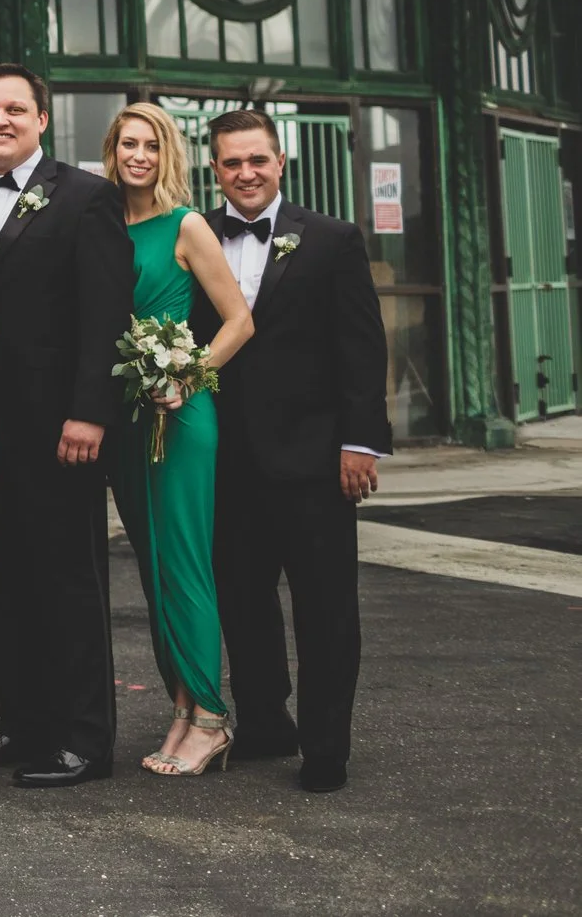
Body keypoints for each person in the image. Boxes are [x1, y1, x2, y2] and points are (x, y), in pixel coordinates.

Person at [196, 109, 389, 794]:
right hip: (225, 462)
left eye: (258, 160)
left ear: (281, 162)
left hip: (315, 462)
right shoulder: (195, 238)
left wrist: (360, 441)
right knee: (241, 600)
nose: (245, 173)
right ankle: (266, 720)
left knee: (326, 607)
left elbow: (362, 349)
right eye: (231, 162)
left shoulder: (333, 239)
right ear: (213, 168)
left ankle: (326, 744)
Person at [0, 63, 133, 787]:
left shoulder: (87, 196)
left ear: (41, 118)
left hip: (59, 426)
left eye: (13, 108)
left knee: (67, 579)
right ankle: (23, 720)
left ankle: (84, 737)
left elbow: (105, 314)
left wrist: (90, 411)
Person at [102, 104, 254, 777]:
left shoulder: (186, 224)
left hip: (182, 416)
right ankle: (181, 706)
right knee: (152, 561)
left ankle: (214, 717)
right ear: (112, 151)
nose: (139, 155)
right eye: (128, 143)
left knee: (185, 559)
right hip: (129, 418)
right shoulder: (104, 225)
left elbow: (239, 321)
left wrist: (186, 377)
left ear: (169, 155)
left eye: (151, 145)